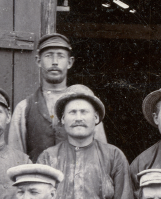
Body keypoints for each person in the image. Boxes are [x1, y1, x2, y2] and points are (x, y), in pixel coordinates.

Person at [37, 84, 134, 199]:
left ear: (96, 118)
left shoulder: (114, 156)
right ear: (62, 119)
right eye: (72, 112)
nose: (78, 118)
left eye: (84, 112)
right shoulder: (48, 158)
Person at [8, 33, 107, 161]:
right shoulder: (24, 108)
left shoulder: (87, 105)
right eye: (48, 56)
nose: (54, 62)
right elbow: (15, 158)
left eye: (60, 56)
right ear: (38, 61)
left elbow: (102, 155)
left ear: (70, 62)